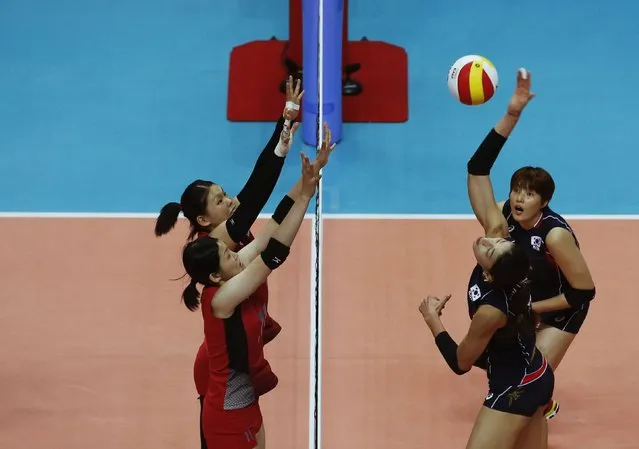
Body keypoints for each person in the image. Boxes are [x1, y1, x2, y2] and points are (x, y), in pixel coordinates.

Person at [154, 76, 306, 448]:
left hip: (236, 353)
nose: (231, 200)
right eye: (221, 200)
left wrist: (287, 134)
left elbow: (262, 211)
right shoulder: (222, 241)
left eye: (225, 193)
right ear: (204, 220)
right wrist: (284, 128)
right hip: (220, 368)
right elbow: (257, 191)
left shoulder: (223, 237)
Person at [417, 68, 555, 449]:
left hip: (517, 388)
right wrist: (512, 114)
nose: (485, 240)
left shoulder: (492, 311)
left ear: (491, 274)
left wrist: (432, 320)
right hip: (536, 373)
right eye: (495, 241)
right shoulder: (504, 248)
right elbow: (478, 170)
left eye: (490, 250)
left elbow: (461, 362)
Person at [181, 138, 334, 449]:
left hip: (246, 399)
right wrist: (305, 196)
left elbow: (268, 234)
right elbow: (273, 255)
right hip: (227, 412)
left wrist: (305, 186)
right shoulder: (222, 299)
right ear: (214, 276)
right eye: (227, 255)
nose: (236, 254)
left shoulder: (227, 275)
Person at [466, 68, 596, 420]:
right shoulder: (504, 218)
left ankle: (542, 405)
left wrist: (531, 308)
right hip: (526, 300)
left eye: (530, 194)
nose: (520, 198)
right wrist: (512, 114)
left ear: (544, 201)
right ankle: (541, 399)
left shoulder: (554, 236)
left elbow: (582, 293)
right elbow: (477, 169)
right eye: (517, 191)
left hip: (560, 309)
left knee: (526, 381)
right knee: (490, 358)